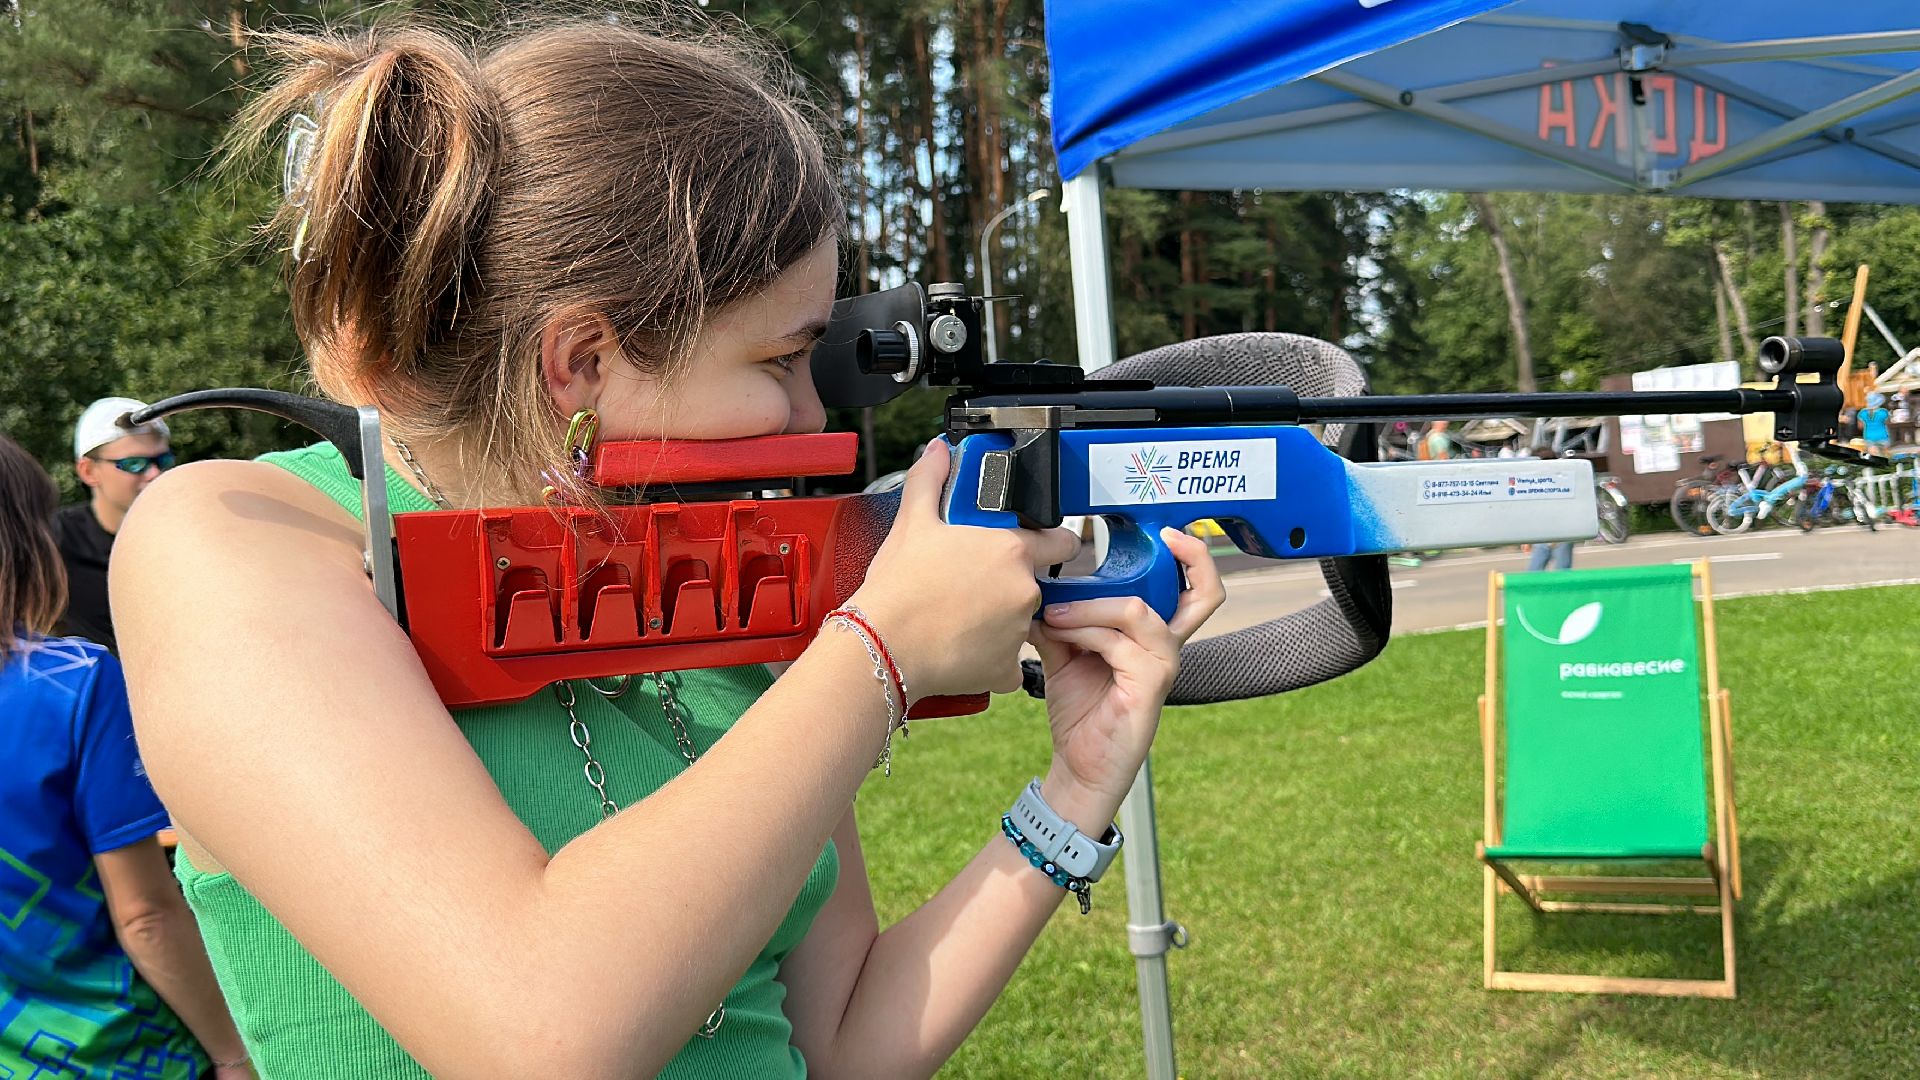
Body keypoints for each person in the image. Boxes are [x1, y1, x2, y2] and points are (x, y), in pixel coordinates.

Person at [111, 20, 1224, 1079]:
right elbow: (541, 1035)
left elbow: (837, 1044)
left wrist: (1073, 794)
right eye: (780, 360)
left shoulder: (711, 568)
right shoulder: (233, 543)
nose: (806, 420)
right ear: (582, 363)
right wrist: (877, 654)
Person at [0, 434, 248, 1078]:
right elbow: (145, 916)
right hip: (118, 1052)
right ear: (26, 543)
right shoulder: (71, 681)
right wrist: (234, 1052)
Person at [52, 397, 174, 653]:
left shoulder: (188, 540)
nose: (154, 475)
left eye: (162, 461)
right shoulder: (52, 543)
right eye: (134, 464)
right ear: (88, 471)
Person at [1525, 449, 1575, 571]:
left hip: (1559, 535)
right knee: (1538, 571)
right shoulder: (1535, 483)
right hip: (1548, 536)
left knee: (1558, 571)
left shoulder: (1560, 481)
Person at [1859, 391, 1892, 457]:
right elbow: (1889, 423)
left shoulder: (1862, 412)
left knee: (1872, 456)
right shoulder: (1883, 412)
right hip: (1883, 436)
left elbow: (1860, 426)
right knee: (1885, 456)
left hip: (1869, 437)